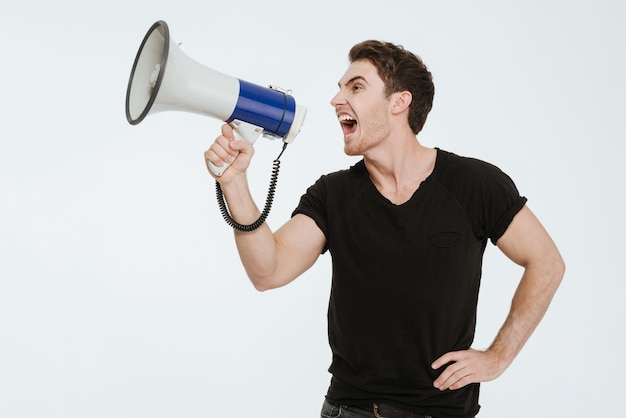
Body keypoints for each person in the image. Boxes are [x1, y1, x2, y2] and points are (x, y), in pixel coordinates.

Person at [204, 40, 565, 418]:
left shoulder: (474, 184)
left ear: (399, 102)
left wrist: (498, 357)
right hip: (350, 410)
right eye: (340, 87)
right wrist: (235, 184)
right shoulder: (333, 194)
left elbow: (547, 262)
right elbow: (268, 270)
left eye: (355, 87)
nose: (335, 99)